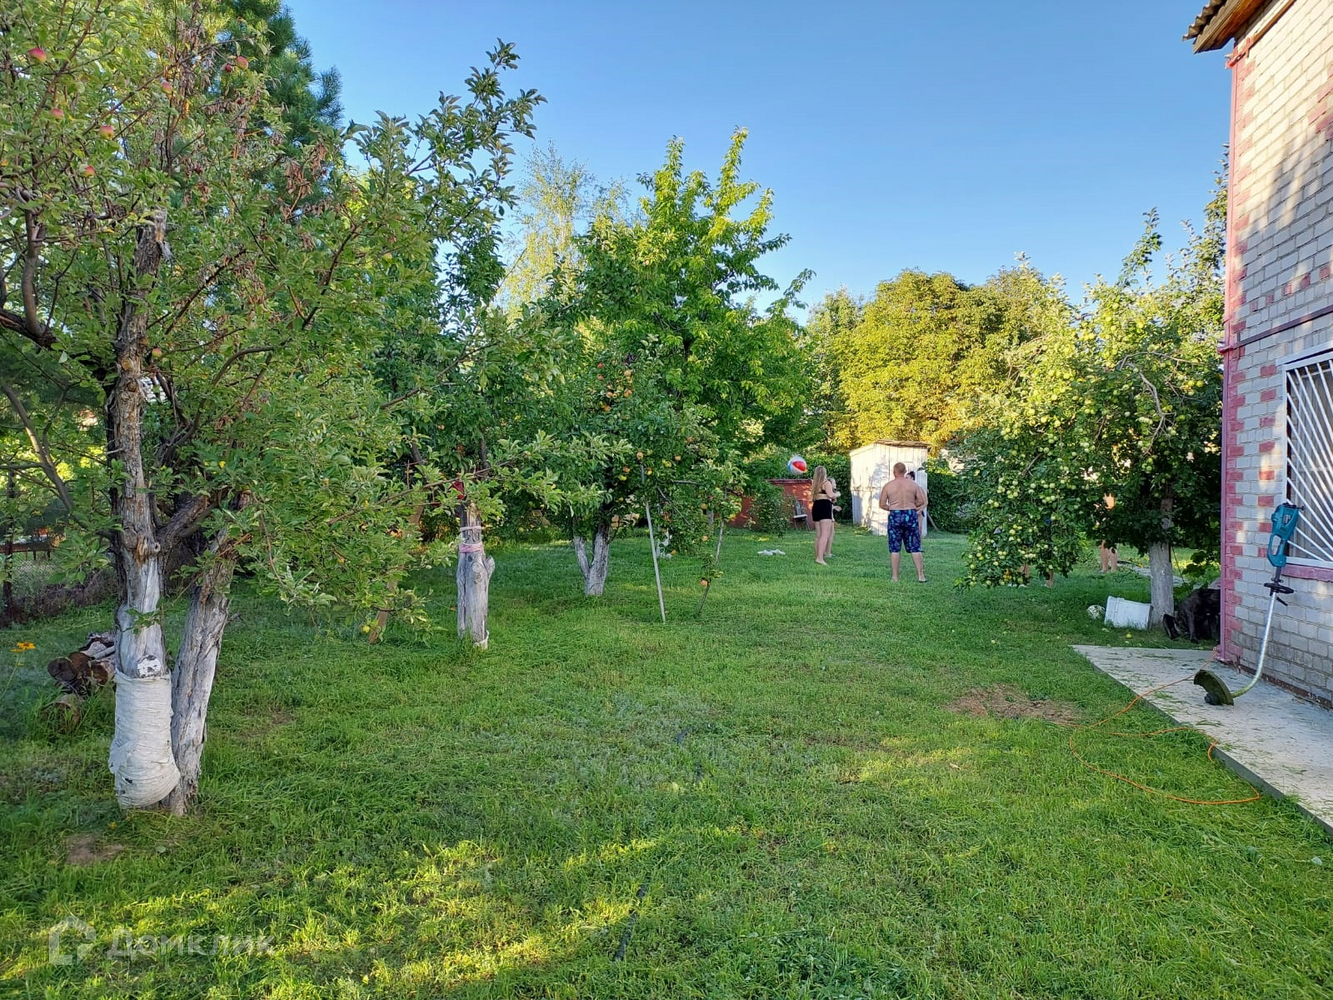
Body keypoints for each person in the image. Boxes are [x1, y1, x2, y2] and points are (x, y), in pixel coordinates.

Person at [878, 461, 928, 582]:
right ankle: (921, 576)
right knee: (915, 546)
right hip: (910, 514)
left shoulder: (888, 486)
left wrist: (892, 508)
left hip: (895, 515)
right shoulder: (913, 485)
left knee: (895, 547)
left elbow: (882, 504)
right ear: (905, 472)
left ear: (894, 472)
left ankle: (895, 577)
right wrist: (913, 506)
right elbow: (922, 501)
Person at [810, 466, 836, 565]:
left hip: (816, 506)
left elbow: (813, 498)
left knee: (818, 535)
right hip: (824, 507)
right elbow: (831, 495)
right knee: (825, 534)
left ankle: (818, 555)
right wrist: (837, 494)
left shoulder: (815, 484)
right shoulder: (826, 483)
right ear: (824, 473)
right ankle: (820, 558)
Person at [1096, 493, 1119, 573]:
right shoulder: (1098, 494)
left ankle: (1113, 569)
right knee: (1102, 546)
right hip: (1100, 522)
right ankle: (1104, 568)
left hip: (1108, 522)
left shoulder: (1108, 494)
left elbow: (1110, 507)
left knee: (1110, 545)